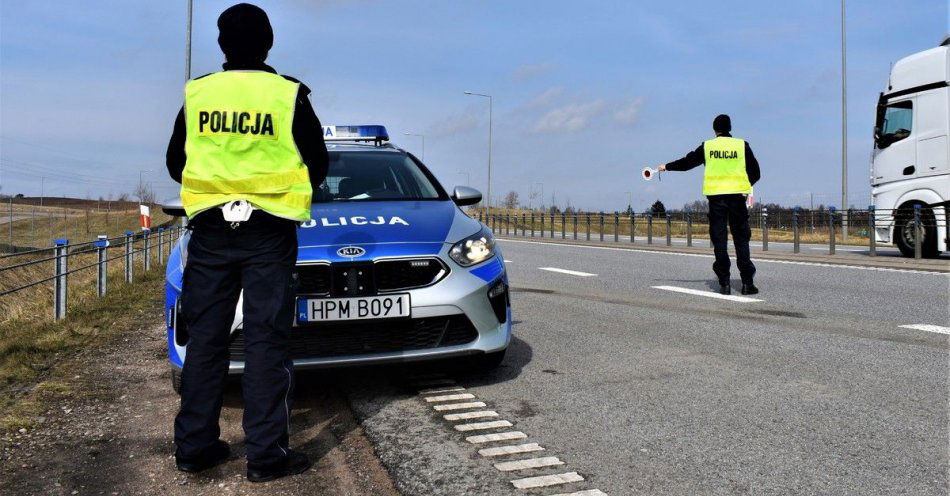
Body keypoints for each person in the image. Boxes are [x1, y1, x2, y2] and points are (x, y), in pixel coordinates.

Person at [164, 3, 328, 482]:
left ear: (221, 45)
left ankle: (194, 448)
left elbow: (177, 161)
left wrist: (221, 186)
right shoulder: (287, 94)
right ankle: (266, 458)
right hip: (269, 233)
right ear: (269, 42)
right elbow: (317, 163)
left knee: (206, 342)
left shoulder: (198, 94)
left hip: (211, 232)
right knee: (265, 343)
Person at [657, 114, 760, 295]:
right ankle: (747, 283)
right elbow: (756, 172)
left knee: (720, 241)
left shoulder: (708, 146)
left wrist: (667, 167)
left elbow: (687, 162)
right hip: (737, 199)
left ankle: (725, 283)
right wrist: (744, 186)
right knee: (741, 239)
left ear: (715, 129)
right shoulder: (742, 145)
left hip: (716, 200)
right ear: (730, 128)